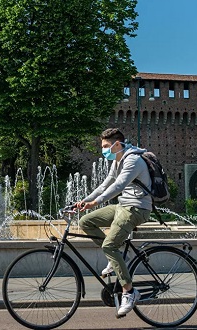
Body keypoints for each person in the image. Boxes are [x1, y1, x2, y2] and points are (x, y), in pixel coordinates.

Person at [74, 128, 151, 318]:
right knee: (86, 222)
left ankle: (129, 292)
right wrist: (85, 201)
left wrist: (96, 202)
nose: (104, 151)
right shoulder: (118, 159)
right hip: (123, 206)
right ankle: (115, 259)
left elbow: (119, 186)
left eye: (106, 146)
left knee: (109, 245)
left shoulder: (132, 159)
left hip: (137, 208)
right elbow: (106, 183)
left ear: (117, 144)